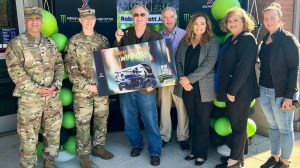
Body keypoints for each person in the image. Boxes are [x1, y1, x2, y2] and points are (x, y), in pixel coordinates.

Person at [5, 7, 64, 168]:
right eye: (30, 19)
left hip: (52, 98)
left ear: (41, 21)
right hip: (30, 101)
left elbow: (59, 65)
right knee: (28, 139)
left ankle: (49, 162)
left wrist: (56, 85)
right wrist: (36, 89)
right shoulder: (16, 44)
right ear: (25, 21)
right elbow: (15, 71)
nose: (34, 22)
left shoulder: (50, 43)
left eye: (37, 19)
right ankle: (28, 165)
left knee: (52, 135)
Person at [114, 4, 162, 166]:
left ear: (147, 17)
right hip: (128, 84)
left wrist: (153, 83)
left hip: (146, 86)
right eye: (136, 15)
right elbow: (115, 57)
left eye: (142, 14)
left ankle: (155, 151)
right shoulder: (126, 34)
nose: (139, 17)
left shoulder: (155, 35)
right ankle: (136, 144)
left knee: (150, 121)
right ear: (131, 17)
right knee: (129, 119)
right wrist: (118, 40)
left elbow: (160, 61)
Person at [64, 8, 113, 168]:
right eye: (85, 18)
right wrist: (87, 86)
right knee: (83, 123)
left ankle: (98, 146)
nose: (88, 21)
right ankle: (84, 155)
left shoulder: (103, 40)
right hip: (82, 91)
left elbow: (110, 65)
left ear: (95, 19)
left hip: (101, 89)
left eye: (91, 18)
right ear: (80, 20)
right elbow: (70, 67)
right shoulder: (74, 41)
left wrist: (104, 84)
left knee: (101, 119)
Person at [215, 8, 259, 168]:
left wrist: (232, 91)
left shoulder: (247, 39)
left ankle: (233, 162)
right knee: (237, 125)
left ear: (244, 22)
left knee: (238, 127)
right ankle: (238, 158)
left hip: (240, 92)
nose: (232, 23)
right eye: (229, 20)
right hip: (233, 91)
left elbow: (244, 67)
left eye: (236, 20)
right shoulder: (232, 39)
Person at [173, 13, 218, 166]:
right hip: (186, 88)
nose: (199, 26)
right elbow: (177, 61)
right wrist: (182, 80)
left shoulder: (212, 41)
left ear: (207, 26)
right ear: (192, 24)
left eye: (202, 24)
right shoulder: (185, 41)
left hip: (203, 88)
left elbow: (208, 65)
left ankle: (201, 154)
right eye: (196, 23)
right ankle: (194, 151)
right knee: (192, 120)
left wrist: (189, 79)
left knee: (202, 122)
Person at [258, 3, 300, 168]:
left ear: (279, 19)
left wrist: (289, 96)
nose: (268, 21)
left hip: (282, 93)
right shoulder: (265, 38)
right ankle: (274, 157)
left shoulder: (288, 39)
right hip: (265, 90)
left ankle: (284, 162)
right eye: (266, 18)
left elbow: (294, 68)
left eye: (272, 18)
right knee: (273, 127)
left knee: (285, 129)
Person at [158, 6, 189, 150]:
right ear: (161, 19)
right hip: (164, 79)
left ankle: (183, 137)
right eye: (165, 17)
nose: (168, 20)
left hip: (180, 78)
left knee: (182, 108)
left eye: (171, 17)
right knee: (164, 108)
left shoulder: (185, 34)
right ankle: (165, 136)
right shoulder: (158, 36)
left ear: (176, 18)